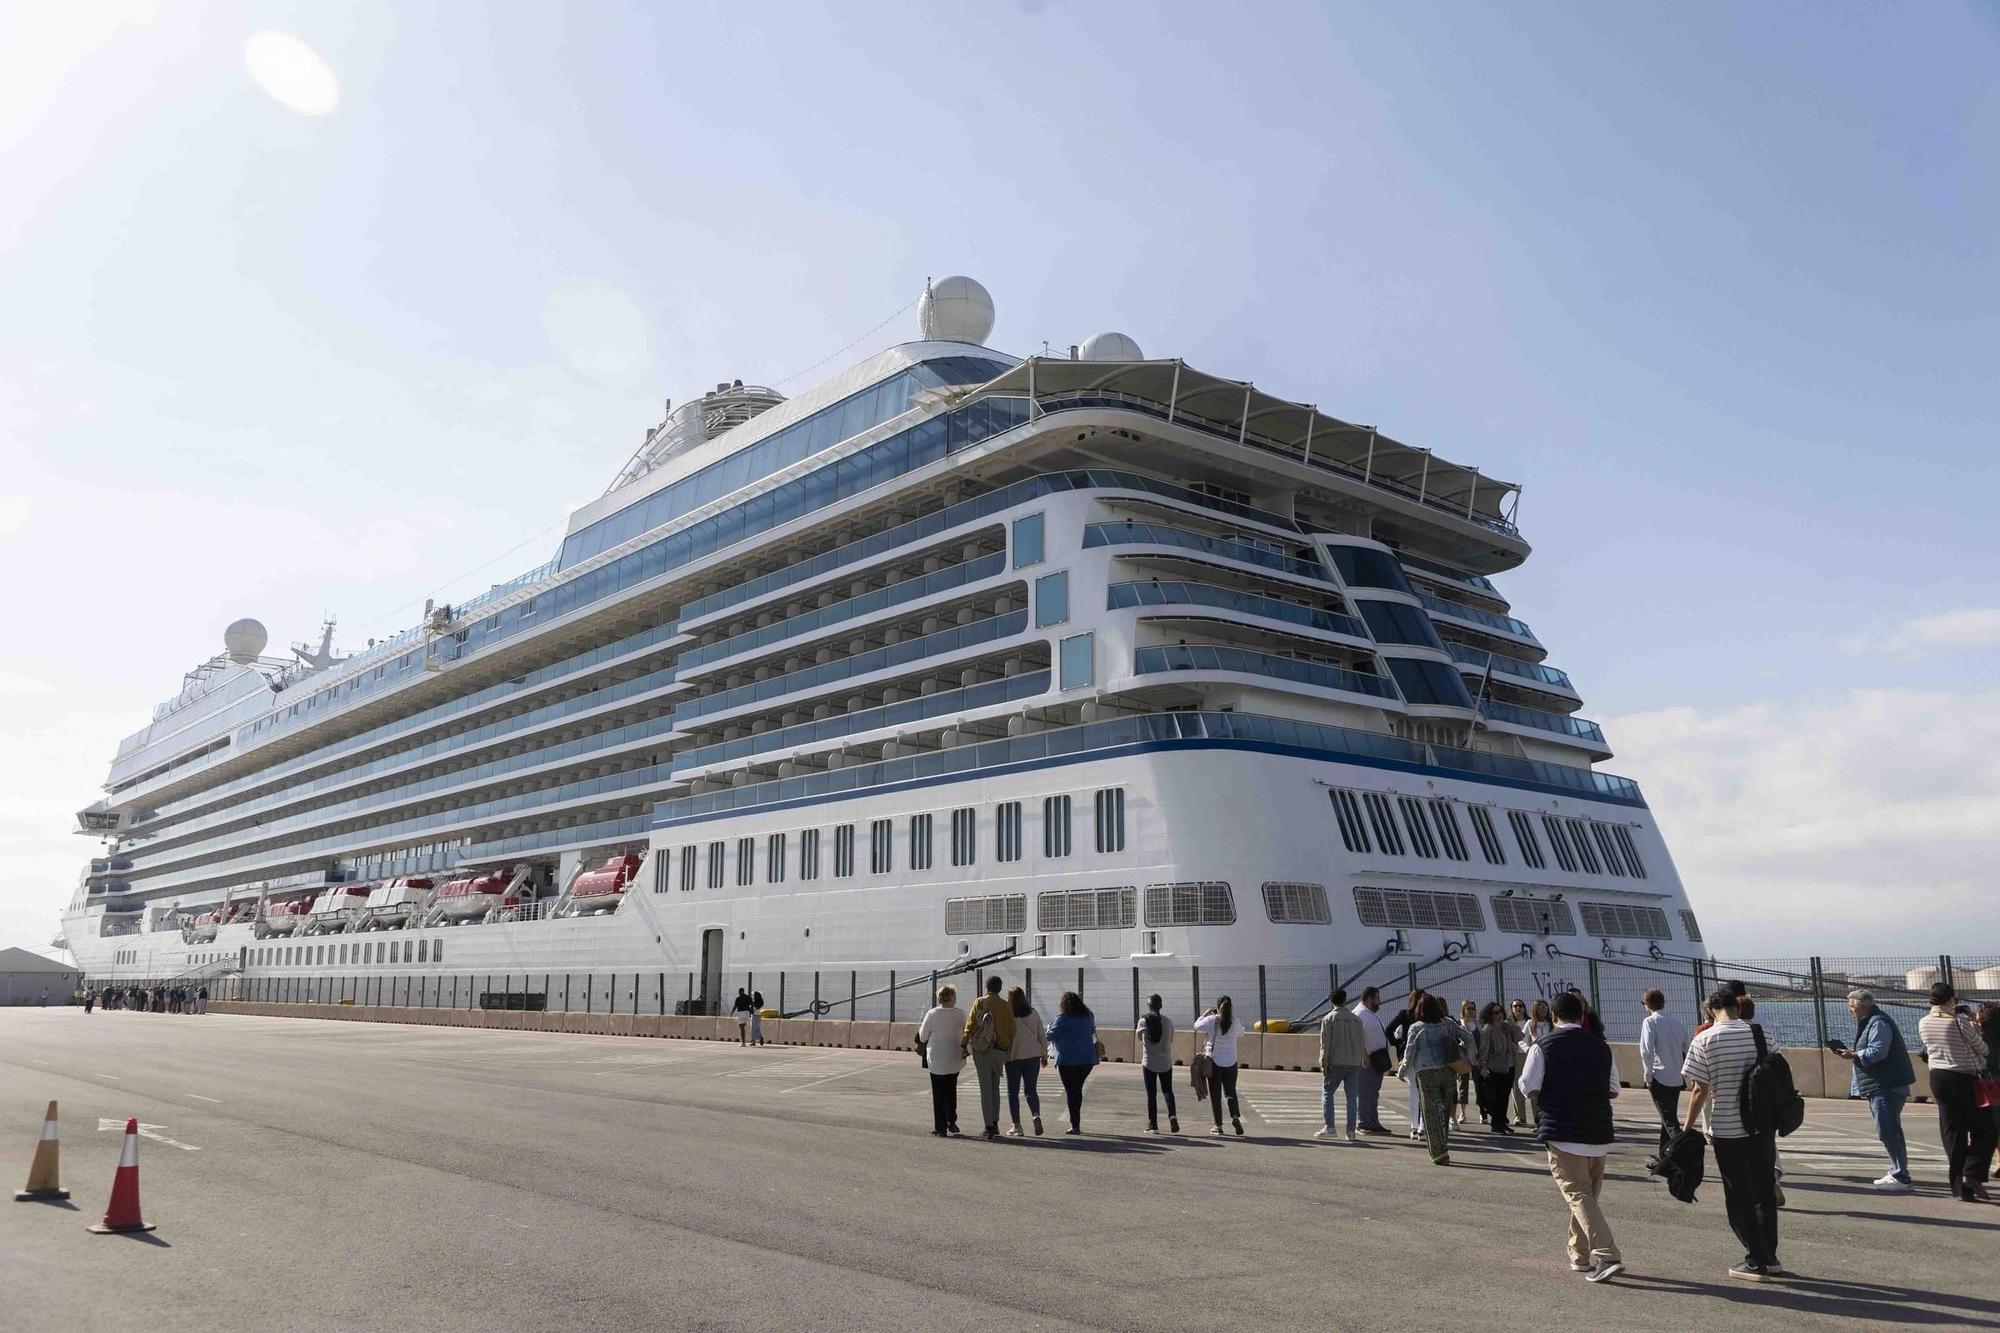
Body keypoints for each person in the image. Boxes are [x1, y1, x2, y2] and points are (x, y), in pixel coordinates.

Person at [1517, 990, 1624, 1281]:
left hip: (1563, 1132)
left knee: (1578, 1195)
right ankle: (1579, 1255)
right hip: (1598, 1133)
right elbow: (1614, 1088)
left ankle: (1606, 1254)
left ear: (1553, 1016)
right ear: (1582, 1014)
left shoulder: (1543, 1045)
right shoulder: (1602, 1047)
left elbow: (1527, 1085)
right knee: (1585, 1198)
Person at [1683, 988, 1781, 1281]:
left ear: (1711, 1010)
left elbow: (1699, 1089)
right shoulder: (1759, 1034)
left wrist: (1687, 1128)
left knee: (1738, 1194)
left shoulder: (1704, 1039)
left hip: (1727, 1127)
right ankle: (1771, 1254)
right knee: (1763, 1189)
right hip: (1762, 1125)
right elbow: (1778, 1069)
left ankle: (1755, 1259)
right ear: (1737, 1008)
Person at [1917, 982, 1995, 1203]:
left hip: (1938, 1078)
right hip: (1964, 1077)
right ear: (1951, 1000)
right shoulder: (1959, 1022)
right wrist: (1975, 1028)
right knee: (1985, 1128)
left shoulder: (1923, 1022)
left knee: (1952, 1131)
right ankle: (1974, 1172)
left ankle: (1959, 1185)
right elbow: (1983, 1049)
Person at [1831, 988, 1916, 1191]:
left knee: (1888, 1130)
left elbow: (1878, 1051)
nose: (1850, 1011)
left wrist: (1854, 1054)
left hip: (1886, 1085)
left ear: (1861, 1006)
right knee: (1888, 1129)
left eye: (1851, 1007)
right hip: (1883, 1084)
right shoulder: (1872, 1021)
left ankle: (1900, 1176)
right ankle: (1897, 1170)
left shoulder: (1878, 1022)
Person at [1403, 994, 1461, 1165]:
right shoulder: (1448, 1023)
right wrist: (1469, 1057)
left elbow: (1410, 1052)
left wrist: (1402, 1071)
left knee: (1430, 1115)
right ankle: (1444, 1147)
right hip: (1448, 1071)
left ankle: (1439, 1154)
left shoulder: (1416, 1027)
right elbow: (1469, 1037)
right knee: (1443, 1111)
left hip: (1427, 1073)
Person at [962, 975, 1016, 1140]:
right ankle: (995, 1122)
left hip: (983, 1050)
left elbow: (970, 1024)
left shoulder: (980, 1002)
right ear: (1000, 988)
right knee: (995, 1088)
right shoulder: (1006, 1006)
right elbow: (1013, 1029)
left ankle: (988, 1126)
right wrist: (1007, 1049)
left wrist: (964, 1043)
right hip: (1000, 1050)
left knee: (985, 1089)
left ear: (986, 987)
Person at [1639, 989, 1689, 1159]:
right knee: (1668, 1117)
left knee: (1669, 1120)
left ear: (1647, 1004)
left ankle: (1684, 1152)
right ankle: (1665, 1155)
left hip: (1660, 1076)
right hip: (1676, 1077)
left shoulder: (1650, 1022)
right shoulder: (1677, 1022)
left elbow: (1646, 1051)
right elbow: (1686, 1048)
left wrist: (1647, 1076)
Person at [1045, 992, 1099, 1135]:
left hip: (1068, 1060)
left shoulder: (1062, 1018)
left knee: (1071, 1091)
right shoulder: (1088, 1015)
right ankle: (1076, 1122)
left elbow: (1050, 1036)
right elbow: (1092, 1031)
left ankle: (1075, 1124)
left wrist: (1048, 1028)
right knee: (1077, 1089)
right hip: (1087, 1059)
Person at [917, 984, 967, 1136]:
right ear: (953, 998)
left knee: (938, 1093)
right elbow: (966, 1033)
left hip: (937, 1059)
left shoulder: (932, 1014)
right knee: (951, 1090)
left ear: (940, 998)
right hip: (954, 1057)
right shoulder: (960, 1014)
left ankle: (941, 1126)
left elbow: (923, 1036)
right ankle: (952, 1121)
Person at [1194, 996, 1245, 1137]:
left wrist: (1204, 1015)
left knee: (1215, 1095)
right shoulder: (1235, 1021)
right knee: (1230, 1091)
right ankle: (1234, 1116)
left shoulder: (1212, 1020)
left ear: (1217, 1007)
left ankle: (1218, 1126)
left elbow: (1196, 1026)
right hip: (1231, 1062)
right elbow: (1241, 1032)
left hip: (1214, 1062)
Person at [1318, 989, 1366, 1140]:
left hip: (1336, 1063)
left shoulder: (1329, 1019)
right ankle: (1351, 1131)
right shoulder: (1356, 1019)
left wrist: (1323, 1064)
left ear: (1331, 1001)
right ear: (1345, 1000)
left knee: (1328, 1092)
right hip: (1354, 1063)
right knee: (1352, 1098)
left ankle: (1330, 1127)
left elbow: (1325, 1045)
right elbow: (1361, 1042)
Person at [1003, 986, 1046, 1137]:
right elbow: (1042, 1034)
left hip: (1014, 1057)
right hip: (1033, 1056)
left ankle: (1017, 1125)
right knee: (1031, 1090)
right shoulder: (1033, 1013)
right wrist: (1044, 1055)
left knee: (1013, 1092)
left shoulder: (1008, 1015)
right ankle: (1036, 1115)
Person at [1386, 989, 1427, 1139]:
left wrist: (1398, 1044)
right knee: (1423, 1092)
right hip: (1423, 1056)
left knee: (1414, 1092)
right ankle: (1421, 1127)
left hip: (1407, 1055)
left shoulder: (1404, 1014)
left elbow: (1389, 1030)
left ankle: (1414, 1127)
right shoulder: (1424, 1016)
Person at [1138, 994, 1180, 1135]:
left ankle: (1153, 1124)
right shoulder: (1168, 1022)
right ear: (1161, 1006)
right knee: (1168, 1090)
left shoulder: (1143, 1021)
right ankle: (1172, 1115)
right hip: (1165, 1061)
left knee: (1151, 1093)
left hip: (1149, 1061)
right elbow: (1171, 1039)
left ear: (1148, 1005)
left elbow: (1139, 1038)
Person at [1352, 988, 1392, 1135]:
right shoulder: (1359, 1014)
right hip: (1366, 1062)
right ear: (1369, 999)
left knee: (1372, 1093)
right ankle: (1363, 1123)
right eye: (1377, 998)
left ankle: (1373, 1122)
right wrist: (1364, 1056)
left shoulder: (1368, 1014)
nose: (1379, 1001)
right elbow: (1356, 1038)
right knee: (1364, 1093)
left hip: (1377, 1060)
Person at [1474, 1002, 1516, 1134]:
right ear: (1489, 1015)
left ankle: (1502, 1122)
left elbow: (1519, 1036)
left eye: (1500, 1012)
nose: (1499, 1015)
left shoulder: (1506, 1027)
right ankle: (1496, 1124)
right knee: (1496, 1097)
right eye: (1495, 1013)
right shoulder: (1488, 1030)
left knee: (1505, 1096)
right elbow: (1484, 1049)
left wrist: (1512, 1023)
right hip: (1495, 1067)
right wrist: (1483, 1066)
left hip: (1509, 1065)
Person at [1455, 999, 1480, 1125]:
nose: (1470, 1011)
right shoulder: (1459, 1024)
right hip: (1463, 1058)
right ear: (1463, 1011)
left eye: (1472, 1009)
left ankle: (1482, 1111)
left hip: (1477, 1058)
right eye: (1468, 1009)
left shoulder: (1479, 1024)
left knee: (1479, 1085)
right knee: (1462, 1085)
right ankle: (1462, 1113)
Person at [1508, 998, 1532, 1127]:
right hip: (1515, 1055)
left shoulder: (1530, 1022)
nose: (1518, 1008)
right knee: (1516, 1087)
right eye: (1515, 1006)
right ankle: (1520, 1116)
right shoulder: (1509, 1023)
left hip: (1529, 1055)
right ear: (1511, 1008)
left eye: (1520, 1005)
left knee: (1532, 1084)